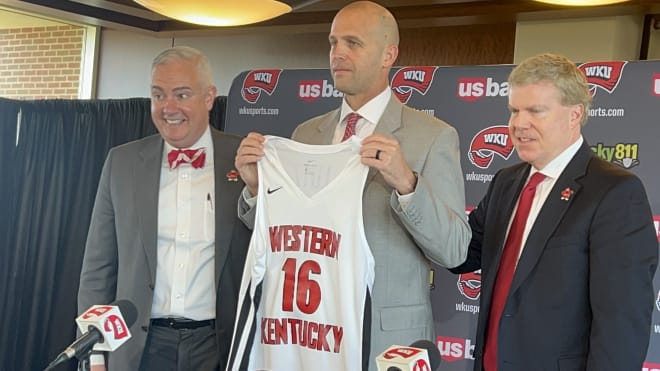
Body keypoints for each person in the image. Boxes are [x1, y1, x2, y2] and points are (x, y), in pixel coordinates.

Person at [232, 1, 470, 370]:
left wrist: (407, 184)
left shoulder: (433, 137)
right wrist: (254, 191)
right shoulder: (306, 134)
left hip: (386, 343)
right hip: (310, 332)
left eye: (353, 43)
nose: (338, 53)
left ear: (388, 54)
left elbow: (455, 250)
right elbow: (283, 233)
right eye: (332, 42)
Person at [450, 53, 658, 371]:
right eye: (514, 111)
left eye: (536, 111)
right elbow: (461, 255)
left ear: (575, 114)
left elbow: (622, 325)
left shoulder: (615, 192)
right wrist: (409, 189)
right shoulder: (506, 182)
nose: (519, 124)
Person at [77, 46, 251, 371]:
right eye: (158, 96)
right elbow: (98, 268)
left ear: (209, 97)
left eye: (182, 95)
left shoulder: (247, 159)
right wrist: (95, 353)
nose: (168, 108)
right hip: (139, 348)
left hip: (218, 347)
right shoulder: (122, 162)